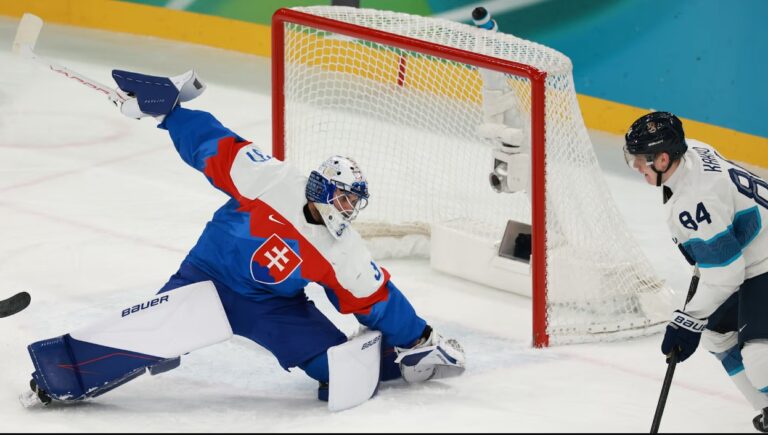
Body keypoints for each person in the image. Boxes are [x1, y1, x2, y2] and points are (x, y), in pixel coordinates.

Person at [21, 69, 465, 408]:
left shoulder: (342, 249)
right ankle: (55, 377)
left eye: (355, 204)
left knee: (340, 370)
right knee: (148, 341)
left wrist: (419, 337)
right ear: (324, 191)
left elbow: (375, 297)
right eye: (345, 200)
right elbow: (214, 145)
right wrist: (171, 112)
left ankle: (405, 359)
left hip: (272, 307)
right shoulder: (273, 180)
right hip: (206, 277)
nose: (349, 211)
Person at [623, 111, 768, 431]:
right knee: (717, 334)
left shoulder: (693, 203)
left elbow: (728, 274)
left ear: (662, 159)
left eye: (641, 160)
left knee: (760, 359)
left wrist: (688, 319)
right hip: (755, 251)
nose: (636, 166)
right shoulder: (691, 154)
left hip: (763, 259)